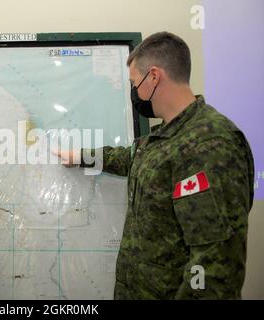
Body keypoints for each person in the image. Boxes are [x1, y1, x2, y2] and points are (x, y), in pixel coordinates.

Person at [58, 32, 254, 299]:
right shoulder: (167, 135)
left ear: (153, 77)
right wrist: (81, 156)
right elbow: (133, 159)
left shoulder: (211, 144)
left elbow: (215, 265)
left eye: (133, 83)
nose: (133, 92)